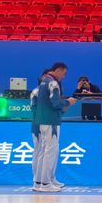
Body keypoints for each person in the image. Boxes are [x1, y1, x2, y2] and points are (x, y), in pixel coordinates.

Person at [33, 63, 76, 193]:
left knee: (42, 152)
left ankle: (39, 182)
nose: (64, 77)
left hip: (42, 121)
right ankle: (45, 183)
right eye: (64, 73)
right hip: (50, 121)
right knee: (49, 153)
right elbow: (56, 103)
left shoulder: (43, 83)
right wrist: (68, 102)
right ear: (58, 70)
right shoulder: (53, 83)